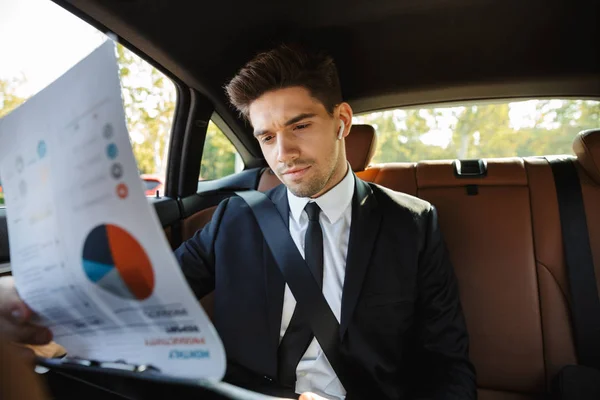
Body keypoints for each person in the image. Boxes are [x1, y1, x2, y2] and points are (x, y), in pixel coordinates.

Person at [0, 44, 476, 399]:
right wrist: (50, 321)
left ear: (342, 121)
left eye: (300, 126)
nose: (282, 153)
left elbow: (446, 362)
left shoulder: (411, 224)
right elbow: (150, 297)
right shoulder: (236, 219)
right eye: (266, 136)